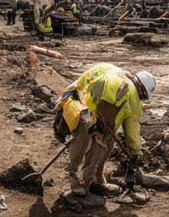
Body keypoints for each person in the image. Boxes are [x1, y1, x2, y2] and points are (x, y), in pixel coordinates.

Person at [55, 63, 155, 198]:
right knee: (96, 143)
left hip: (73, 100)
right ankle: (79, 181)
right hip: (85, 113)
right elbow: (132, 129)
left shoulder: (109, 67)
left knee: (108, 142)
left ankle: (96, 179)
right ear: (142, 91)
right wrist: (135, 151)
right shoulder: (132, 95)